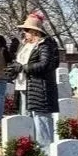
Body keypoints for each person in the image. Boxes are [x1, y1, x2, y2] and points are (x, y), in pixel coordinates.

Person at [15, 9, 59, 146]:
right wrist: (14, 69)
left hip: (40, 87)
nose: (24, 33)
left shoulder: (44, 45)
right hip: (25, 86)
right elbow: (20, 61)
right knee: (28, 120)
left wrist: (24, 68)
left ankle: (46, 154)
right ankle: (32, 151)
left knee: (41, 121)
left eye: (27, 30)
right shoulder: (25, 45)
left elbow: (45, 64)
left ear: (35, 31)